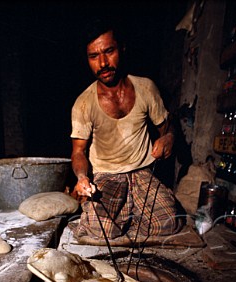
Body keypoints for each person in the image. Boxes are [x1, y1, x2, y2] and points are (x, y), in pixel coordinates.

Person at [70, 17, 182, 243]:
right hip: (107, 176)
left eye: (109, 51)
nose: (102, 63)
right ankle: (124, 214)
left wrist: (169, 137)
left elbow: (166, 127)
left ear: (121, 48)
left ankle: (127, 212)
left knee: (169, 223)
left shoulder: (145, 87)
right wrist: (82, 177)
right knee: (100, 231)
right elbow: (79, 152)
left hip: (142, 173)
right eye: (94, 56)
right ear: (88, 59)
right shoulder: (83, 103)